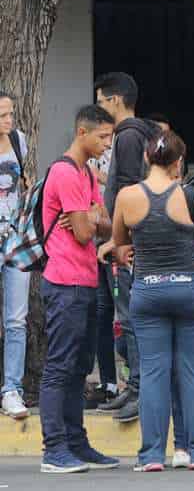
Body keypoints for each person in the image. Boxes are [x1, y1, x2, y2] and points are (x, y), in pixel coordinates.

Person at [110, 131, 194, 471]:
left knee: (154, 373)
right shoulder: (190, 195)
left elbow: (119, 242)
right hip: (191, 289)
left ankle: (151, 456)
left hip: (148, 290)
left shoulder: (127, 196)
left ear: (146, 159)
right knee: (193, 371)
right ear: (178, 162)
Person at [39, 105, 119, 474]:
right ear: (81, 132)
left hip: (86, 281)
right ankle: (54, 448)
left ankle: (76, 443)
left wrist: (91, 215)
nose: (107, 143)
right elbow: (89, 231)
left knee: (78, 369)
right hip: (65, 283)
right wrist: (91, 217)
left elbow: (105, 226)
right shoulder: (66, 172)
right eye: (102, 137)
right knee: (60, 367)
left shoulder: (87, 173)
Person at [94, 72, 160, 424]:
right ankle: (132, 386)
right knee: (125, 317)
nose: (100, 108)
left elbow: (131, 190)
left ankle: (139, 389)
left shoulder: (129, 136)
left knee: (132, 319)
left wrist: (119, 241)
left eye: (102, 101)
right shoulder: (137, 133)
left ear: (116, 100)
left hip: (127, 246)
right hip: (124, 242)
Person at [0, 92, 31, 419]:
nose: (8, 121)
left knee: (16, 320)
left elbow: (24, 183)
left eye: (10, 114)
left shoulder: (18, 141)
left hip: (15, 242)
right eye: (2, 116)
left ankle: (12, 389)